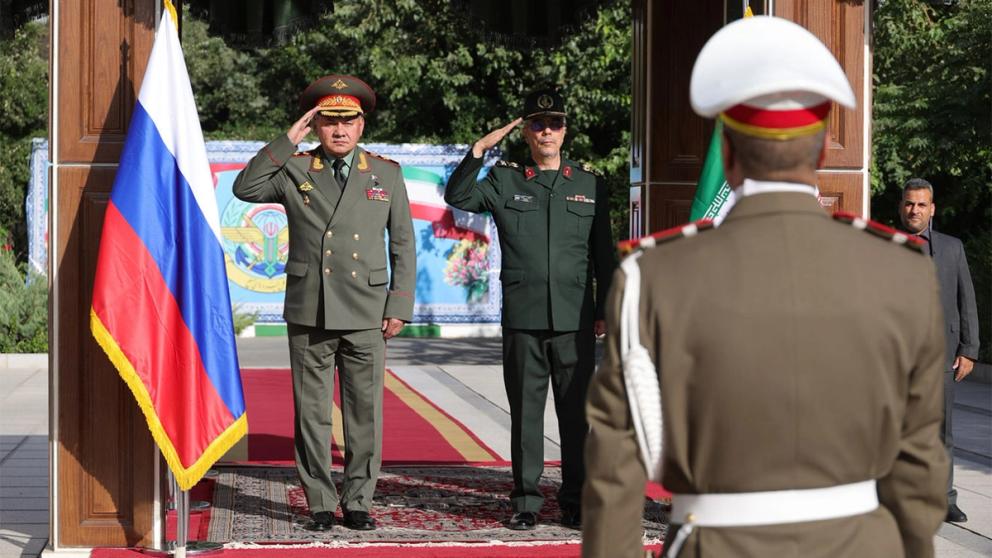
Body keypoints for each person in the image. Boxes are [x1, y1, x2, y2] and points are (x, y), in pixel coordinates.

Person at [582, 16, 949, 558]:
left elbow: (614, 474)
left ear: (726, 155)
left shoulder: (653, 276)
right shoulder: (904, 271)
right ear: (823, 151)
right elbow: (920, 467)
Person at [233, 74, 416, 532]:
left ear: (362, 125)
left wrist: (398, 304)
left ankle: (358, 500)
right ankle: (318, 500)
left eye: (348, 121)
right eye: (329, 121)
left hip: (367, 310)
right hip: (311, 307)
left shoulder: (386, 174)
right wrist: (286, 138)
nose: (339, 130)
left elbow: (404, 246)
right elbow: (245, 188)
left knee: (364, 413)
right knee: (311, 413)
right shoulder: (295, 169)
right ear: (315, 126)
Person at [444, 88, 616, 530]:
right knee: (525, 412)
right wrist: (479, 150)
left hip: (574, 317)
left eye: (554, 124)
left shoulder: (590, 184)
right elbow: (459, 197)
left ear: (565, 131)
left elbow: (604, 254)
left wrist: (604, 309)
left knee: (576, 415)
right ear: (525, 132)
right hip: (523, 317)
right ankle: (526, 500)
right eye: (537, 124)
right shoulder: (505, 180)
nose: (546, 132)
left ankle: (576, 500)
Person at [899, 177, 980, 524]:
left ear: (931, 209)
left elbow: (967, 300)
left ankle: (945, 499)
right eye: (909, 203)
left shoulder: (952, 247)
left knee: (943, 432)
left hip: (943, 357)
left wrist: (970, 348)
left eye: (921, 204)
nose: (914, 210)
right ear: (901, 207)